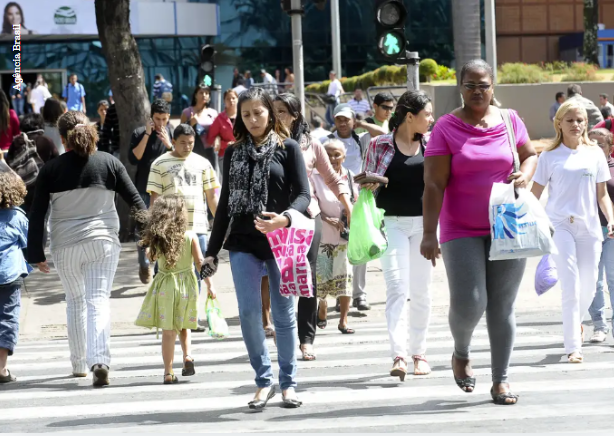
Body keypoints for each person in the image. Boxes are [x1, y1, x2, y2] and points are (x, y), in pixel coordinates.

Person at [421, 59, 537, 405]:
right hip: (460, 227)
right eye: (470, 85)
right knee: (471, 301)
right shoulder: (446, 127)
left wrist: (526, 174)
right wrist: (429, 233)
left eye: (483, 85)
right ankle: (461, 352)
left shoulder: (509, 120)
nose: (477, 91)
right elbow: (433, 183)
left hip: (507, 223)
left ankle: (500, 380)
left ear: (493, 87)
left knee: (502, 305)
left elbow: (530, 155)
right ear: (460, 87)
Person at [204, 87, 310, 409]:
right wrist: (211, 251)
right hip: (243, 243)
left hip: (281, 241)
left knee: (283, 314)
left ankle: (288, 383)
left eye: (258, 113)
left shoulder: (289, 148)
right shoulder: (232, 153)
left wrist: (286, 219)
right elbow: (224, 207)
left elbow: (304, 195)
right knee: (250, 315)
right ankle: (263, 381)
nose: (252, 119)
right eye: (246, 115)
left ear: (271, 113)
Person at [27, 111, 146, 387]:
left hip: (65, 246)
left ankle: (79, 364)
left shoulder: (51, 169)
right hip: (103, 243)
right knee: (98, 300)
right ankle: (99, 361)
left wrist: (36, 253)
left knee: (75, 301)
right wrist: (152, 238)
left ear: (62, 137)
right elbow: (137, 203)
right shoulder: (109, 163)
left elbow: (38, 214)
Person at [531, 101, 614, 363]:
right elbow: (535, 194)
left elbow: (602, 196)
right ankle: (573, 347)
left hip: (589, 227)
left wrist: (611, 219)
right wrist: (539, 223)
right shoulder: (548, 156)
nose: (576, 125)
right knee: (570, 285)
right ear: (559, 124)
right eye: (570, 120)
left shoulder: (595, 154)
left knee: (589, 287)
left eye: (580, 120)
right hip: (560, 226)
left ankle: (576, 323)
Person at [273, 93, 353, 360]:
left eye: (282, 111)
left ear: (295, 115)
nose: (277, 116)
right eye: (273, 111)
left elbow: (331, 178)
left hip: (308, 217)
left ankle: (306, 339)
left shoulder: (312, 146)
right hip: (275, 219)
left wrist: (348, 205)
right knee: (279, 277)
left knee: (308, 278)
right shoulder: (264, 142)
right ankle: (281, 330)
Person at [363, 90, 435, 381]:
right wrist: (372, 183)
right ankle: (399, 355)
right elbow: (365, 182)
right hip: (390, 223)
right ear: (409, 116)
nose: (431, 119)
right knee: (396, 288)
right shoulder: (380, 144)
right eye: (427, 114)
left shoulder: (431, 145)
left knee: (421, 292)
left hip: (424, 226)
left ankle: (419, 352)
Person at [147, 124, 220, 324]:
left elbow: (212, 198)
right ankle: (165, 314)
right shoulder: (159, 164)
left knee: (197, 271)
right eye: (182, 143)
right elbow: (155, 200)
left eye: (190, 143)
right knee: (165, 271)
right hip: (169, 229)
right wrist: (153, 231)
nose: (187, 147)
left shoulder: (203, 163)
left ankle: (190, 317)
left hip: (198, 227)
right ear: (174, 140)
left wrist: (223, 225)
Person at [135, 194, 212, 383]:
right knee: (184, 324)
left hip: (165, 287)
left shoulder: (158, 239)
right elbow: (200, 263)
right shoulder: (190, 236)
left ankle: (168, 372)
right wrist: (210, 285)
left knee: (168, 332)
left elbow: (151, 259)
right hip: (187, 286)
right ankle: (187, 356)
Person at [324, 103, 387, 311]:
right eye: (339, 119)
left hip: (358, 197)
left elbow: (383, 132)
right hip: (333, 197)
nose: (342, 123)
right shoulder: (326, 141)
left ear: (352, 121)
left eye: (346, 119)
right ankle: (340, 294)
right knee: (336, 248)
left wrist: (359, 123)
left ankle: (359, 294)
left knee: (360, 245)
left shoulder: (361, 139)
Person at [312, 139, 357, 336]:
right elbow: (310, 204)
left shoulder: (351, 177)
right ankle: (322, 306)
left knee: (345, 278)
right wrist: (327, 219)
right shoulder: (314, 177)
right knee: (322, 280)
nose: (332, 158)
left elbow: (356, 202)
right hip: (322, 237)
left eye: (337, 154)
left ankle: (343, 320)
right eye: (328, 154)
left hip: (345, 238)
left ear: (344, 156)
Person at [129, 99, 174, 284]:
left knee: (162, 229)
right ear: (151, 118)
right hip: (143, 187)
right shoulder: (139, 133)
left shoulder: (171, 133)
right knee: (143, 228)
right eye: (157, 119)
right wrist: (147, 134)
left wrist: (169, 144)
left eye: (164, 119)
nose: (161, 123)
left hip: (165, 190)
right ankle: (144, 263)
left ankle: (157, 270)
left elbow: (179, 157)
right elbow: (134, 158)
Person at [0, 172, 31, 383]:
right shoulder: (18, 217)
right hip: (9, 274)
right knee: (8, 319)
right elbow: (27, 242)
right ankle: (1, 369)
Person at [586, 128, 614, 343]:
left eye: (601, 144)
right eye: (591, 143)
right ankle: (599, 326)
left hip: (612, 232)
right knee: (593, 281)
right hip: (587, 231)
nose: (596, 148)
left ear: (610, 148)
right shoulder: (582, 169)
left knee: (613, 279)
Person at [6, 113, 57, 214]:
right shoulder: (46, 141)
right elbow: (57, 163)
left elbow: (9, 165)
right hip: (42, 189)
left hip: (22, 190)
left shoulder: (16, 142)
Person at [180, 85, 219, 172]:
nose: (204, 95)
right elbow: (180, 133)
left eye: (207, 93)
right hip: (193, 150)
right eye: (201, 92)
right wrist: (190, 123)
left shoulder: (213, 113)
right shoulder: (187, 112)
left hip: (209, 151)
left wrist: (217, 139)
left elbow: (217, 131)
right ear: (195, 95)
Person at [207, 89, 238, 183]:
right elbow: (210, 139)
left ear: (237, 99)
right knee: (228, 184)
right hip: (225, 156)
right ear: (224, 101)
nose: (231, 101)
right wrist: (225, 144)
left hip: (242, 154)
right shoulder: (219, 118)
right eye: (228, 99)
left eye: (233, 98)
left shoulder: (243, 116)